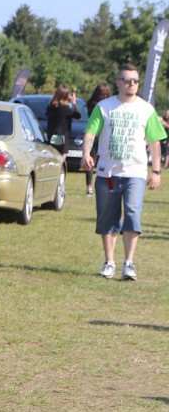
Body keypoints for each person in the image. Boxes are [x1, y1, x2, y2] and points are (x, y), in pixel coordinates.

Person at [80, 64, 165, 281]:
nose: (132, 84)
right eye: (127, 80)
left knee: (132, 215)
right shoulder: (105, 107)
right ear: (118, 82)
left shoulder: (146, 109)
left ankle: (129, 263)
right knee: (108, 218)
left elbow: (155, 142)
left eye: (135, 81)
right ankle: (109, 262)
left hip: (135, 172)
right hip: (107, 173)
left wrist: (156, 170)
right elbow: (91, 132)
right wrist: (86, 152)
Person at [83, 83, 112, 196]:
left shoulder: (91, 104)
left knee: (90, 161)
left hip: (93, 135)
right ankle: (109, 185)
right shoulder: (107, 105)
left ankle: (89, 187)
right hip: (105, 135)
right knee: (107, 162)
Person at [45, 85, 80, 153]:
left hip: (51, 135)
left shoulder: (51, 107)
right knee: (62, 156)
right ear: (66, 96)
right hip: (62, 136)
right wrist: (74, 103)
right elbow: (78, 115)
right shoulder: (65, 109)